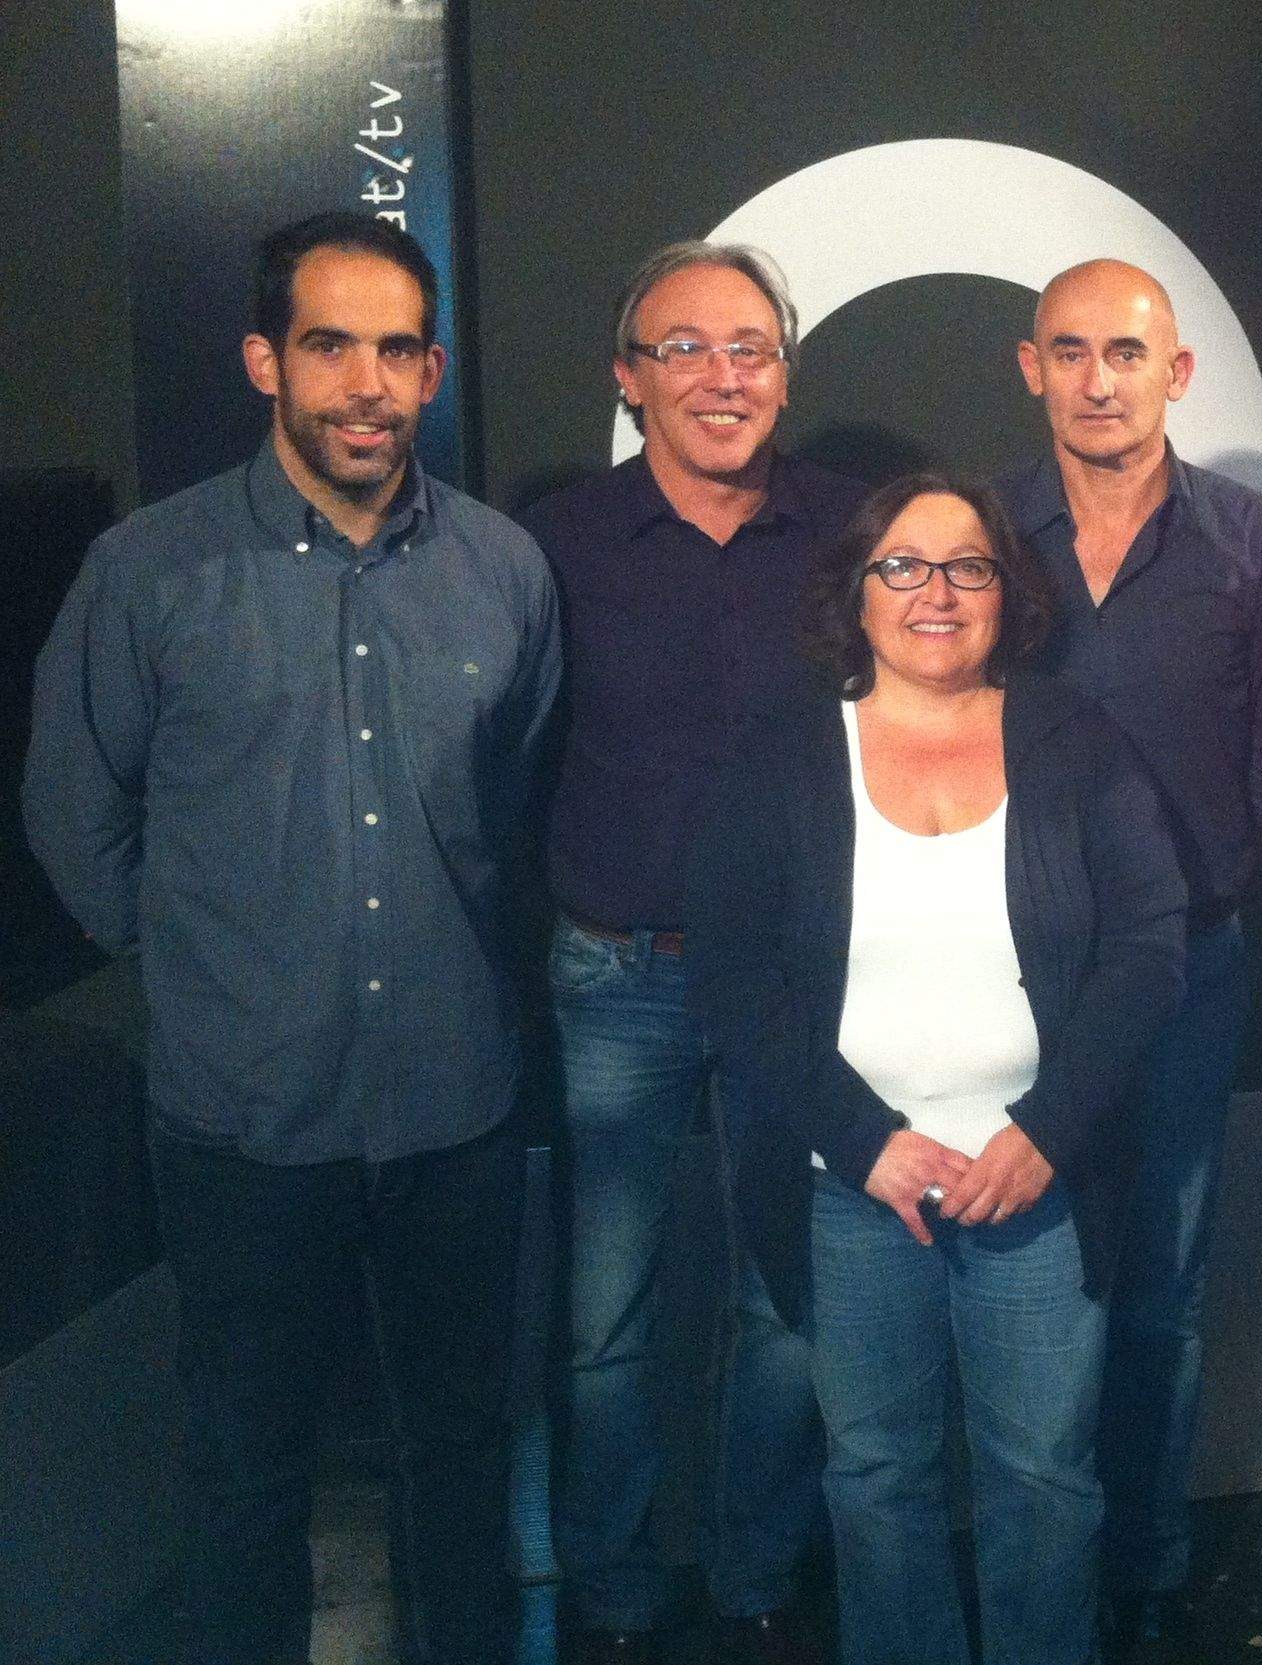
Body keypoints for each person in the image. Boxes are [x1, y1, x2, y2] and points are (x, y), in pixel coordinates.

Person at [23, 212, 560, 1665]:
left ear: (433, 368)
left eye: (397, 349)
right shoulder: (150, 572)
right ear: (268, 358)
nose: (366, 384)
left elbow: (512, 812)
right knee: (246, 1469)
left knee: (458, 1455)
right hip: (243, 1116)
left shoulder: (505, 572)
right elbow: (77, 817)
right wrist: (211, 976)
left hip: (454, 1105)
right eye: (331, 345)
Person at [689, 474, 1187, 1665]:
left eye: (968, 566)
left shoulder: (1073, 738)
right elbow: (735, 973)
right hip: (853, 1190)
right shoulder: (784, 752)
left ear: (1006, 594)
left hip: (1036, 1183)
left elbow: (1150, 945)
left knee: (1043, 1481)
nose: (936, 592)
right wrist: (862, 1141)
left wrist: (1046, 1133)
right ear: (855, 594)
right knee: (873, 1477)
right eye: (902, 566)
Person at [520, 241, 865, 1662]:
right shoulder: (553, 544)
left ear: (784, 374)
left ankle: (755, 1565)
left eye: (752, 348)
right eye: (686, 348)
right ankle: (607, 1582)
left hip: (799, 984)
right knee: (605, 1318)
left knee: (790, 1305)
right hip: (619, 977)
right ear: (628, 376)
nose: (724, 376)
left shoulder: (856, 530)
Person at [999, 257, 1262, 1653]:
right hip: (1012, 977)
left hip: (1188, 971)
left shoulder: (1256, 544)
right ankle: (1037, 1565)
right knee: (1031, 1279)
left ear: (1174, 374)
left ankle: (1145, 1565)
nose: (1098, 378)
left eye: (1126, 353)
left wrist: (1200, 891)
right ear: (1031, 368)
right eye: (1071, 351)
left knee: (1163, 1288)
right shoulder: (983, 538)